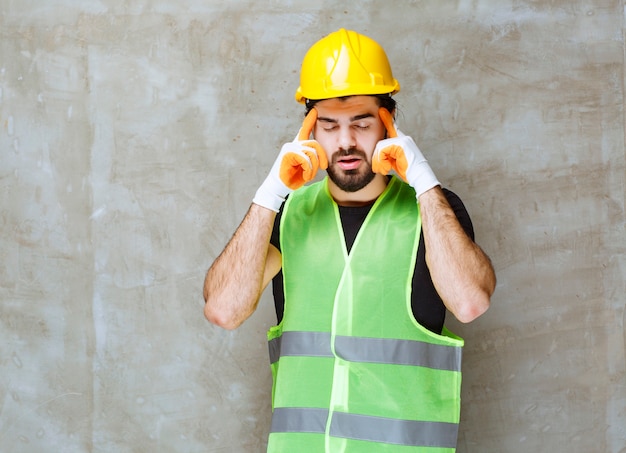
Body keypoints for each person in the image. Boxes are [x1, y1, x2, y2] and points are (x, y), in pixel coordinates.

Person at [203, 28, 496, 452]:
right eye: (329, 126)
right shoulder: (288, 216)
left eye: (361, 124)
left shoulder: (434, 213)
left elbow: (470, 303)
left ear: (388, 125)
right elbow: (224, 310)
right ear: (310, 132)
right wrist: (270, 194)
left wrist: (424, 181)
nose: (345, 142)